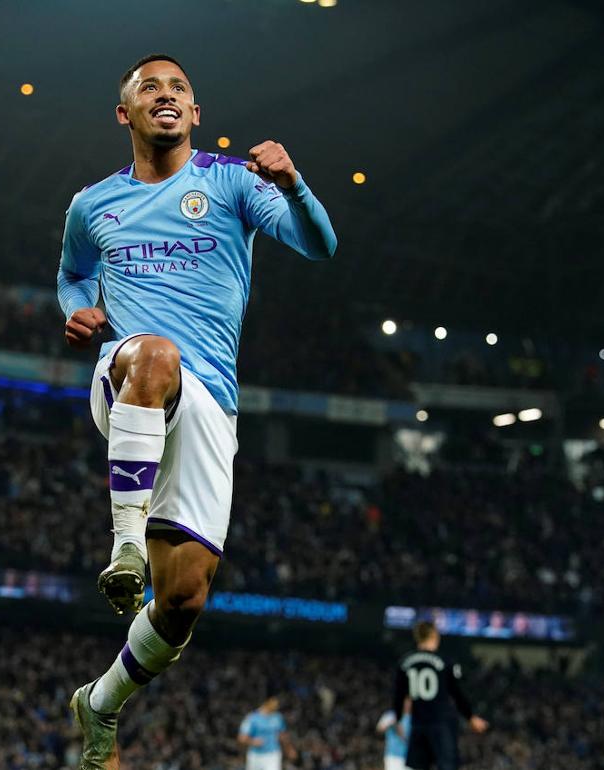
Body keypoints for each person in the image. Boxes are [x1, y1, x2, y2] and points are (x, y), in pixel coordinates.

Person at [58, 52, 336, 769]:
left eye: (179, 87)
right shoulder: (93, 203)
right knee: (155, 354)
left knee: (183, 598)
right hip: (130, 378)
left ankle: (102, 700)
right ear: (126, 114)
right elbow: (72, 275)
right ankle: (124, 544)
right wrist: (79, 312)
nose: (166, 94)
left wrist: (293, 183)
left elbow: (320, 244)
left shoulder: (233, 182)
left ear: (196, 112)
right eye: (149, 87)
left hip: (212, 403)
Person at [392, 622, 488, 770]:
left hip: (417, 724)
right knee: (447, 766)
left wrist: (398, 719)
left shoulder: (405, 662)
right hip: (440, 722)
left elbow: (398, 695)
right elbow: (457, 693)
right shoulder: (445, 661)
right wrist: (470, 717)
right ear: (434, 635)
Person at [238, 696, 297, 770]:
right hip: (255, 756)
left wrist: (289, 749)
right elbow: (241, 738)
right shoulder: (252, 718)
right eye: (274, 701)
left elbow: (282, 735)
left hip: (273, 755)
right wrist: (253, 741)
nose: (276, 704)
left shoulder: (277, 717)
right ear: (266, 701)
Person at [376, 702, 411, 770]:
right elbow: (379, 729)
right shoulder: (391, 715)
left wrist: (399, 731)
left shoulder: (416, 718)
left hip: (409, 757)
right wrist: (391, 725)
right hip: (393, 756)